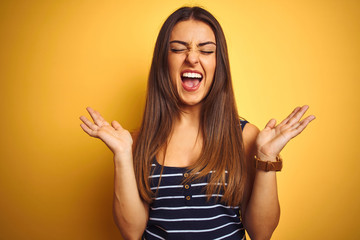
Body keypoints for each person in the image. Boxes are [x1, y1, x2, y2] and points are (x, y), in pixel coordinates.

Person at [79, 6, 315, 240]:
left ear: (217, 64)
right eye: (178, 49)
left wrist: (266, 158)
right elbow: (132, 232)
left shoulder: (244, 136)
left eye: (206, 51)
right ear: (164, 61)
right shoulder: (138, 142)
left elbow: (261, 233)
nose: (192, 58)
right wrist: (122, 155)